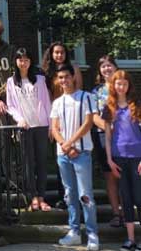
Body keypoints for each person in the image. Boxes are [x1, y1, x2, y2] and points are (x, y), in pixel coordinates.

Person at [50, 63, 100, 251]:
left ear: (73, 77)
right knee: (70, 194)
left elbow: (88, 124)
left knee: (85, 195)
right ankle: (74, 232)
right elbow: (54, 128)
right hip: (63, 155)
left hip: (82, 153)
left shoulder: (86, 97)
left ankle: (92, 234)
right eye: (60, 77)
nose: (63, 80)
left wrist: (71, 142)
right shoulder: (57, 102)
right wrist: (65, 144)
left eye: (66, 77)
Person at [6, 47, 53, 212]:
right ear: (16, 61)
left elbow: (47, 103)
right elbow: (10, 106)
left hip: (41, 126)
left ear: (30, 61)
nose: (23, 62)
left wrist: (50, 126)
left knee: (41, 163)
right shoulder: (11, 82)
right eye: (20, 59)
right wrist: (20, 119)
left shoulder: (40, 80)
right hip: (25, 127)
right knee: (28, 164)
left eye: (26, 59)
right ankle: (32, 197)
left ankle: (42, 197)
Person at [104, 70, 141, 250]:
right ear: (113, 85)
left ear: (129, 86)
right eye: (118, 83)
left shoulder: (137, 105)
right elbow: (108, 137)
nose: (121, 86)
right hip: (119, 158)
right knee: (125, 198)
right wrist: (110, 160)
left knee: (139, 198)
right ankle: (131, 239)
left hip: (137, 158)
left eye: (124, 83)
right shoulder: (109, 107)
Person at [91, 55, 124, 227]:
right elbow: (93, 116)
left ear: (115, 67)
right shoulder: (96, 92)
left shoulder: (123, 86)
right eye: (103, 66)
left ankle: (128, 212)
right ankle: (116, 213)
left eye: (109, 65)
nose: (106, 69)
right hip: (103, 136)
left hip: (125, 136)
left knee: (124, 174)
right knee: (110, 176)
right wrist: (109, 128)